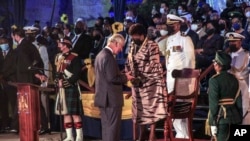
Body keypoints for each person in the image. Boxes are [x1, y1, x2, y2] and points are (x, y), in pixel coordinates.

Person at [125, 23, 167, 141]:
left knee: (151, 108)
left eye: (135, 36)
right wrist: (129, 73)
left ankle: (152, 134)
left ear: (142, 35)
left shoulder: (152, 45)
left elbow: (154, 64)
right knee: (139, 108)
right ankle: (142, 132)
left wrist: (141, 75)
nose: (133, 38)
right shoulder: (132, 45)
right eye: (132, 36)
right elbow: (128, 61)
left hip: (151, 81)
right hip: (137, 83)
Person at [94, 34, 133, 141]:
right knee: (112, 129)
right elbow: (113, 79)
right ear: (116, 43)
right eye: (121, 46)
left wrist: (122, 74)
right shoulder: (108, 56)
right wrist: (126, 77)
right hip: (111, 100)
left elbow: (106, 76)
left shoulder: (100, 55)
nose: (121, 50)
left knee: (107, 128)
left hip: (103, 98)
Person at [10, 28, 46, 133]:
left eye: (13, 36)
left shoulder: (23, 47)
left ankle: (19, 126)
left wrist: (36, 73)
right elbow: (37, 61)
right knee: (30, 103)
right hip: (28, 78)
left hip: (27, 79)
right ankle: (19, 125)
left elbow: (27, 63)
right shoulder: (28, 45)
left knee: (30, 103)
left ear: (16, 36)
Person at [165, 14, 195, 139]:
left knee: (183, 107)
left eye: (173, 24)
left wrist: (187, 79)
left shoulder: (185, 39)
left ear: (178, 25)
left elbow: (190, 60)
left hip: (182, 79)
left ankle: (185, 135)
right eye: (169, 25)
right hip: (171, 79)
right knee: (173, 107)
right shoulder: (169, 39)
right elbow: (168, 59)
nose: (171, 27)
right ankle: (179, 134)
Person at [207, 51, 242, 141]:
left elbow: (213, 104)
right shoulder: (234, 79)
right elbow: (239, 102)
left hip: (221, 118)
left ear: (219, 65)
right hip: (235, 117)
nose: (214, 65)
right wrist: (240, 117)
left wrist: (212, 123)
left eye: (215, 63)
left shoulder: (214, 80)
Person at [54, 37, 83, 141]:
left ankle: (79, 137)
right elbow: (57, 73)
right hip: (62, 89)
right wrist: (57, 81)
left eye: (60, 44)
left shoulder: (75, 58)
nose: (58, 45)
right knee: (66, 113)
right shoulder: (58, 57)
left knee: (75, 114)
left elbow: (76, 75)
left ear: (66, 45)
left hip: (71, 87)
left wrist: (65, 83)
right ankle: (70, 136)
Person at [225, 32, 250, 124]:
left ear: (240, 42)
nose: (232, 44)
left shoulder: (247, 55)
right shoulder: (227, 55)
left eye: (234, 41)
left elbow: (245, 72)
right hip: (229, 86)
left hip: (243, 86)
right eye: (230, 42)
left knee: (244, 108)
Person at [0, 37, 16, 133]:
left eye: (4, 42)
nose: (2, 45)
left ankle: (14, 125)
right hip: (1, 83)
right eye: (1, 43)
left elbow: (14, 67)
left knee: (14, 104)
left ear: (8, 43)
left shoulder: (13, 54)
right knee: (3, 105)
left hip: (11, 82)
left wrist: (3, 75)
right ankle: (4, 125)